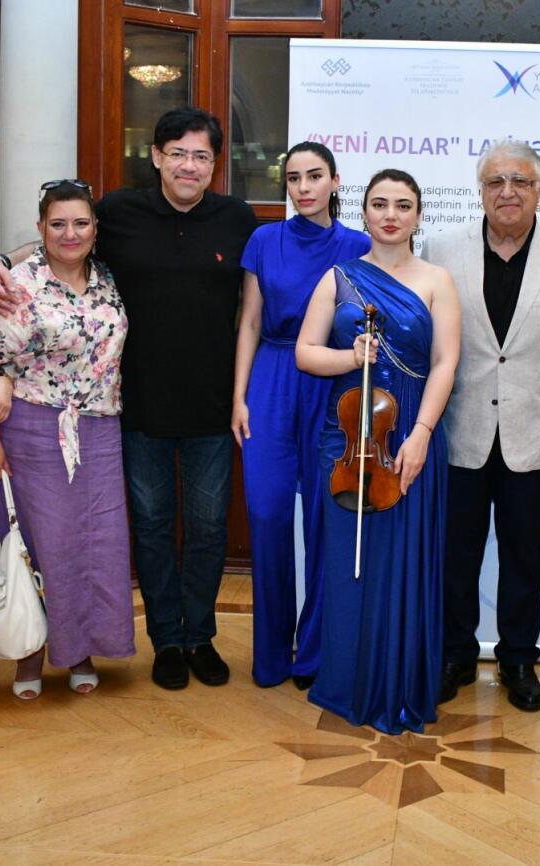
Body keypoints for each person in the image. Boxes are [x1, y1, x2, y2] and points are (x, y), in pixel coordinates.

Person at [0, 108, 257, 691]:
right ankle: (166, 640)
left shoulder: (236, 219)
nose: (188, 165)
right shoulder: (121, 212)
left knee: (208, 529)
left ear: (215, 164)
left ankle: (200, 636)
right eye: (177, 153)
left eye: (201, 156)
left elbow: (257, 306)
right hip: (135, 410)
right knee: (152, 528)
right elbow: (62, 238)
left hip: (211, 408)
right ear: (156, 156)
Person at [426, 141, 540, 714]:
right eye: (496, 181)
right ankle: (455, 654)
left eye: (520, 182)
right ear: (480, 190)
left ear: (538, 190)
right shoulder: (442, 250)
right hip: (459, 430)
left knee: (525, 556)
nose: (508, 192)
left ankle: (519, 659)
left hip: (537, 436)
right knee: (456, 556)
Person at [295, 169, 460, 734]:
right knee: (350, 563)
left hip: (410, 433)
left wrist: (422, 434)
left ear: (419, 215)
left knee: (403, 562)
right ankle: (347, 683)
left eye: (403, 205)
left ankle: (398, 684)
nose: (391, 215)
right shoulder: (338, 277)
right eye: (380, 204)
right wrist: (350, 357)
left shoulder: (437, 279)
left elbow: (445, 363)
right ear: (363, 212)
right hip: (347, 435)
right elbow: (305, 352)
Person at [0, 179, 135, 699]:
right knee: (40, 544)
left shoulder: (108, 277)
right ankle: (29, 655)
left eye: (80, 223)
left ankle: (79, 650)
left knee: (94, 547)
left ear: (95, 228)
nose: (71, 233)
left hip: (100, 430)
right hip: (32, 428)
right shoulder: (18, 284)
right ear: (40, 228)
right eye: (58, 224)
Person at [233, 142, 370, 689]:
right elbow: (249, 321)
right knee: (266, 515)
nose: (304, 187)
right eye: (293, 178)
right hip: (271, 377)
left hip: (332, 383)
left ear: (335, 181)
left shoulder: (359, 245)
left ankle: (313, 655)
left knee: (324, 519)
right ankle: (270, 655)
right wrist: (239, 396)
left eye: (315, 176)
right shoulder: (263, 240)